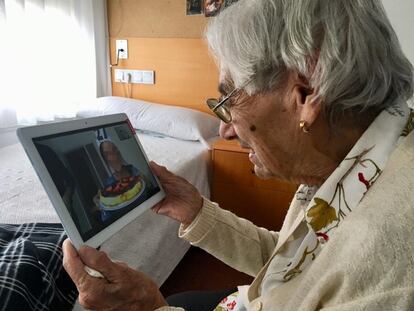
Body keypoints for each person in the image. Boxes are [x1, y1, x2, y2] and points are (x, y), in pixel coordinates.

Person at [63, 0, 414, 310]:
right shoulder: (347, 162)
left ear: (307, 92)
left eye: (230, 99)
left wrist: (146, 308)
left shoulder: (390, 258)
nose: (225, 130)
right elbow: (290, 260)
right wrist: (197, 211)